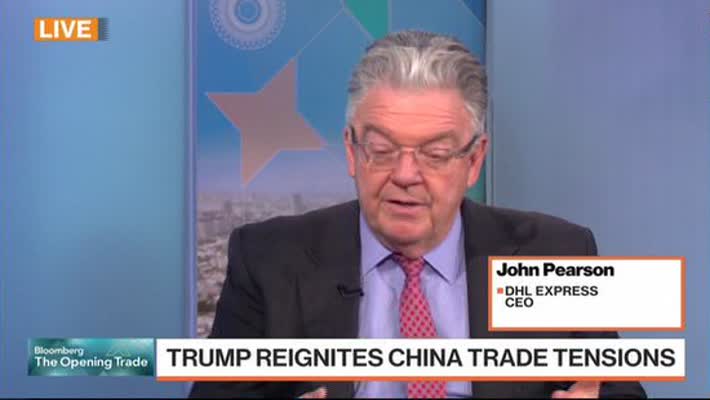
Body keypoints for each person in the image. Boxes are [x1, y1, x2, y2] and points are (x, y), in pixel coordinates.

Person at [190, 30, 646, 399]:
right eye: (382, 149)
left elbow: (616, 390)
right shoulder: (268, 259)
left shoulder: (554, 253)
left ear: (474, 160)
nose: (405, 175)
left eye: (435, 154)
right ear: (352, 151)